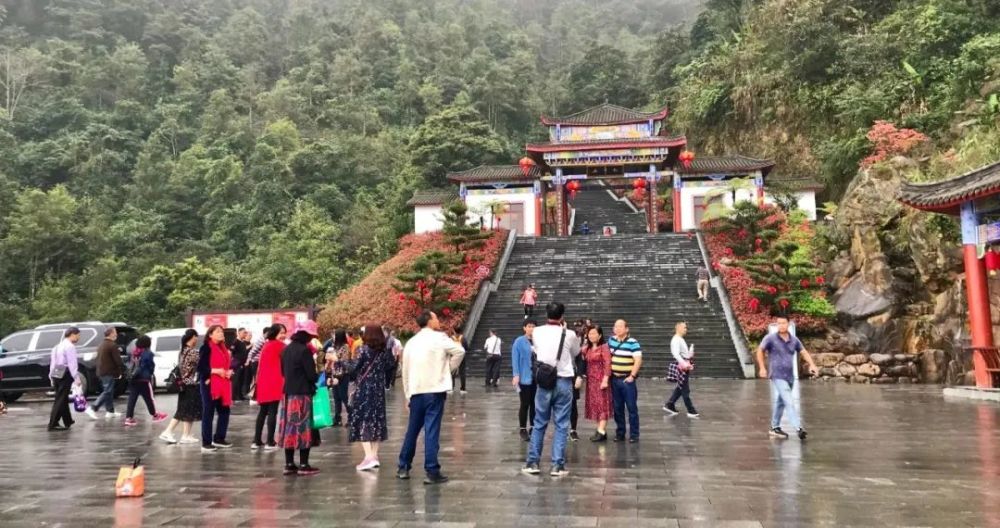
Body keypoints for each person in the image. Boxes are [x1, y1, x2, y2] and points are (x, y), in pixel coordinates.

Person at [397, 310, 465, 484]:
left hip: (416, 391)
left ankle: (403, 466)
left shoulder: (411, 342)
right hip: (434, 390)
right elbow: (460, 351)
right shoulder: (440, 338)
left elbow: (405, 370)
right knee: (432, 430)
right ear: (429, 321)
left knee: (412, 430)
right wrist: (447, 370)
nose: (438, 320)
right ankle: (432, 469)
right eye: (435, 318)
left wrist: (407, 394)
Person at [521, 302, 580, 477]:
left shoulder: (537, 331)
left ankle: (533, 462)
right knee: (562, 425)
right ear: (562, 316)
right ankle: (557, 465)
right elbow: (575, 352)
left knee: (539, 423)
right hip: (563, 381)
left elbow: (537, 349)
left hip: (544, 382)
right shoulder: (569, 334)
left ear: (547, 314)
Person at [756, 316, 819, 440]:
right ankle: (798, 428)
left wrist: (812, 364)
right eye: (778, 323)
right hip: (777, 375)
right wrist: (762, 367)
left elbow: (803, 352)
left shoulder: (794, 340)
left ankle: (775, 427)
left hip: (789, 376)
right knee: (789, 401)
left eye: (783, 323)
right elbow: (760, 350)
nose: (781, 325)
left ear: (788, 324)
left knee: (781, 402)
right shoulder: (771, 338)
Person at [348, 324, 397, 471]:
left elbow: (353, 367)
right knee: (376, 420)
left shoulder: (363, 349)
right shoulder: (384, 351)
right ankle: (374, 456)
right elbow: (390, 365)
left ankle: (368, 457)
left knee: (363, 420)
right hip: (378, 390)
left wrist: (338, 362)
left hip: (364, 390)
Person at [278, 321, 321, 476]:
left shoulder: (286, 350)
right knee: (303, 427)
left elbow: (283, 372)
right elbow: (311, 375)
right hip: (302, 394)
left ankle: (289, 464)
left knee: (289, 427)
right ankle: (304, 464)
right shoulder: (304, 351)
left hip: (288, 394)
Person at [160, 329, 202, 444]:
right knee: (183, 410)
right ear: (193, 337)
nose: (197, 339)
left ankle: (186, 435)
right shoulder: (193, 352)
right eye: (196, 337)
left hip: (184, 384)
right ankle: (167, 432)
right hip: (189, 384)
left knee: (188, 410)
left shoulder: (183, 350)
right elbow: (202, 363)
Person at [198, 325, 234, 453]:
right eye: (218, 331)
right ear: (210, 335)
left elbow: (225, 365)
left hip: (222, 383)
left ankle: (219, 438)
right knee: (209, 412)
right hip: (209, 384)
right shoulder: (206, 348)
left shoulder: (223, 348)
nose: (221, 333)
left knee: (225, 411)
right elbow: (201, 368)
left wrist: (228, 372)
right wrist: (216, 371)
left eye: (222, 331)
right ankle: (206, 442)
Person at [252, 324, 286, 450]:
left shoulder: (266, 344)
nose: (283, 335)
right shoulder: (280, 346)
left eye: (284, 332)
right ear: (274, 333)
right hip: (275, 381)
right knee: (273, 411)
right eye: (281, 332)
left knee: (263, 412)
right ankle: (270, 441)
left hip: (263, 381)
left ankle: (256, 441)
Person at [608, 319, 642, 443]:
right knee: (617, 408)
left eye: (620, 326)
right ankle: (620, 432)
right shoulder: (611, 341)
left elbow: (638, 360)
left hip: (627, 380)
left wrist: (632, 376)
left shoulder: (633, 342)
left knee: (631, 407)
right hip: (614, 379)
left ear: (627, 329)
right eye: (615, 326)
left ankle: (634, 434)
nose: (617, 329)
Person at [124, 335, 167, 426]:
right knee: (149, 398)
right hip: (143, 379)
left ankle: (128, 418)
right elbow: (150, 366)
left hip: (133, 378)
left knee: (132, 398)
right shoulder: (148, 353)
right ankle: (155, 415)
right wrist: (150, 372)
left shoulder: (134, 352)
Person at [48, 327, 83, 431]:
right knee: (61, 399)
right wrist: (76, 377)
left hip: (56, 373)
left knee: (61, 398)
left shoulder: (57, 346)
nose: (79, 338)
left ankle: (67, 420)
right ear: (72, 334)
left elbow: (53, 363)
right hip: (65, 374)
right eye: (78, 335)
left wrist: (50, 375)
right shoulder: (70, 347)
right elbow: (72, 364)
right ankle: (53, 423)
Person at [86, 326, 124, 419]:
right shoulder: (112, 345)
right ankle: (93, 407)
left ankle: (110, 411)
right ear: (111, 333)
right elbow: (118, 361)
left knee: (109, 391)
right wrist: (120, 370)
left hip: (101, 371)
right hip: (109, 371)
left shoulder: (101, 344)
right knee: (107, 391)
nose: (116, 334)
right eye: (115, 332)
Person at [583, 325, 612, 442]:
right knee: (595, 405)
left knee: (602, 405)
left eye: (594, 333)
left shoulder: (604, 347)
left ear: (600, 335)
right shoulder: (587, 349)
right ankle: (601, 429)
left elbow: (607, 363)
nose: (592, 336)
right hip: (591, 382)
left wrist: (605, 379)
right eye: (590, 334)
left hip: (601, 380)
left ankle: (601, 430)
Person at [663, 321, 699, 417]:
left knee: (681, 387)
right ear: (678, 328)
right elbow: (676, 354)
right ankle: (691, 410)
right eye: (684, 327)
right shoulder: (676, 340)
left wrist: (690, 353)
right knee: (685, 389)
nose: (686, 329)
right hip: (681, 366)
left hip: (684, 365)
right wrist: (684, 364)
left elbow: (683, 354)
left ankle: (670, 404)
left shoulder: (680, 339)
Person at [511, 319, 537, 442]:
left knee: (535, 404)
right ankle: (522, 428)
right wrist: (516, 374)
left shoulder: (539, 341)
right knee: (525, 403)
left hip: (538, 377)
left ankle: (533, 426)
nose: (531, 329)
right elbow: (515, 359)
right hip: (525, 377)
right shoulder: (519, 341)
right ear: (524, 328)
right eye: (529, 326)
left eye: (533, 326)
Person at [326, 329, 352, 427]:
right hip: (334, 374)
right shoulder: (333, 347)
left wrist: (335, 358)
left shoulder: (345, 347)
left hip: (343, 375)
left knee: (343, 396)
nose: (333, 337)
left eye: (334, 335)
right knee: (336, 397)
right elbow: (330, 359)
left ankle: (351, 416)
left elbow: (345, 361)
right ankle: (337, 418)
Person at [245, 326, 268, 403]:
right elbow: (252, 352)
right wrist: (248, 361)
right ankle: (255, 396)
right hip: (256, 362)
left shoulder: (265, 340)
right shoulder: (261, 341)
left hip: (259, 362)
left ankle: (257, 396)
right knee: (257, 379)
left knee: (259, 379)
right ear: (265, 333)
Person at [230, 328, 250, 401]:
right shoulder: (236, 342)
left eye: (245, 333)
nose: (245, 334)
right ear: (239, 333)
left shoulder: (243, 342)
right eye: (244, 332)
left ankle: (240, 396)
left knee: (241, 381)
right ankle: (233, 397)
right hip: (236, 365)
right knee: (235, 381)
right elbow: (231, 352)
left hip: (242, 364)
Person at [450, 326, 468, 394]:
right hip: (462, 357)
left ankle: (451, 388)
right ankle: (463, 389)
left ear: (454, 331)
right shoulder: (463, 338)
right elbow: (466, 348)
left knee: (452, 372)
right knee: (462, 372)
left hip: (453, 357)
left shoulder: (451, 338)